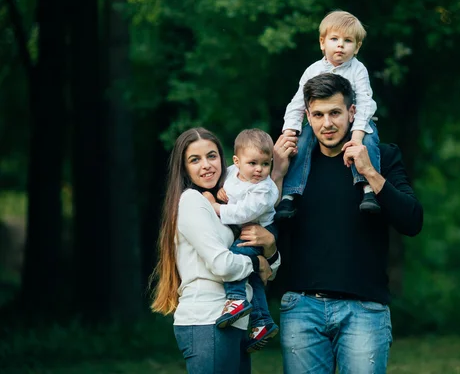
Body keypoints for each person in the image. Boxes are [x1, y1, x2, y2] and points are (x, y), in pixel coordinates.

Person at [271, 73, 424, 374]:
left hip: (364, 310)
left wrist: (370, 173)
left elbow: (412, 221)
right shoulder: (292, 165)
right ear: (307, 116)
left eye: (335, 113)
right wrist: (276, 174)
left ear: (352, 113)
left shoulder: (383, 156)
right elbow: (267, 226)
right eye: (318, 114)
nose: (326, 123)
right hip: (302, 308)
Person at [150, 127, 281, 374]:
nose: (206, 165)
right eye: (195, 160)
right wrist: (257, 264)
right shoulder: (192, 201)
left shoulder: (231, 203)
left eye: (211, 156)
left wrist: (270, 248)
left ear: (223, 159)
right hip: (207, 321)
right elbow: (222, 265)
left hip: (236, 323)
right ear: (184, 168)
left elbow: (268, 273)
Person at [277, 10, 381, 219]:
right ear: (322, 43)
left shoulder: (358, 70)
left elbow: (366, 103)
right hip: (316, 126)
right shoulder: (313, 70)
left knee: (368, 143)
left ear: (357, 47)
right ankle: (290, 194)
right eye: (334, 39)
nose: (340, 45)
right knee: (301, 142)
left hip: (357, 122)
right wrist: (290, 130)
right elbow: (297, 103)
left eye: (348, 40)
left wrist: (358, 134)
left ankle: (368, 189)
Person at [204, 128, 280, 353]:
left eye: (266, 164)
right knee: (252, 276)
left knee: (236, 256)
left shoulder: (264, 189)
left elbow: (244, 213)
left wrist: (218, 208)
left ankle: (236, 299)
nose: (259, 170)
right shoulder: (230, 173)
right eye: (253, 163)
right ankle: (262, 321)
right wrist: (218, 192)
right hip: (245, 230)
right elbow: (224, 187)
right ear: (237, 161)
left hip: (258, 232)